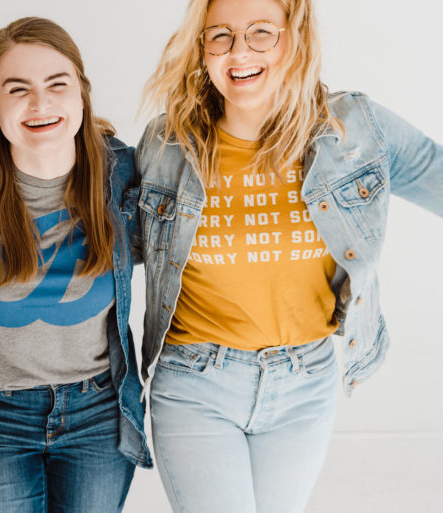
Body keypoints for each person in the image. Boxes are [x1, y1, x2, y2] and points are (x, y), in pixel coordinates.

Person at [137, 0, 443, 512]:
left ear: (294, 38)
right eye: (221, 36)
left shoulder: (355, 129)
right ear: (202, 48)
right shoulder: (169, 144)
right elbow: (99, 241)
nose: (239, 52)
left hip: (306, 384)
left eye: (261, 33)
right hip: (197, 385)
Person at [0, 16, 152, 513]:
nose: (40, 104)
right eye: (17, 89)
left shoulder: (124, 173)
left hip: (98, 411)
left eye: (58, 84)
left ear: (81, 96)